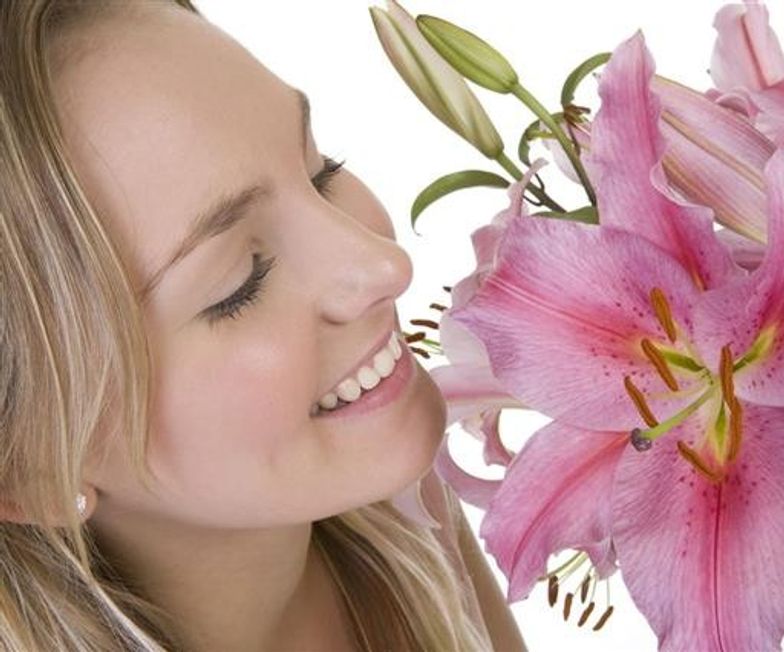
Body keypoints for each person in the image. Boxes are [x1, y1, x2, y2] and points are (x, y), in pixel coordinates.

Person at [0, 0, 526, 649]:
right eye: (240, 283)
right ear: (30, 472)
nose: (385, 265)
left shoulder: (401, 515)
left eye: (320, 172)